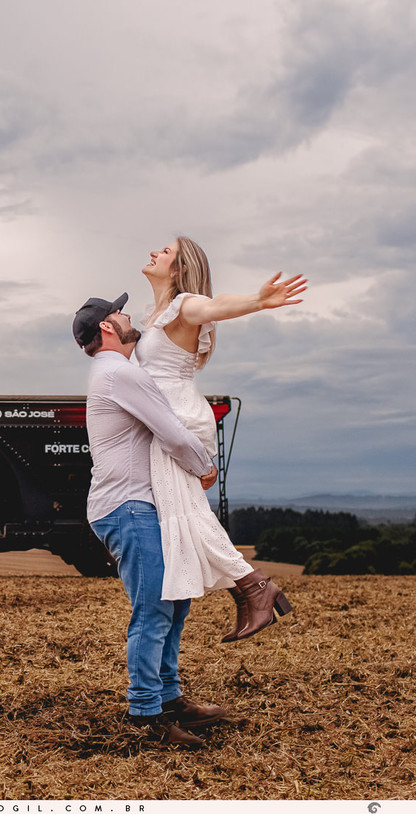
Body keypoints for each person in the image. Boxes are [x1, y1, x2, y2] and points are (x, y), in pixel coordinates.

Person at [73, 292, 225, 748]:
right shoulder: (119, 372)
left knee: (175, 602)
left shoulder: (114, 372)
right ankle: (146, 715)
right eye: (119, 312)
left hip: (138, 504)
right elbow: (171, 430)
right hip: (129, 506)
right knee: (155, 608)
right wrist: (205, 466)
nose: (127, 315)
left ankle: (169, 697)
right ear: (106, 327)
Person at [137, 236, 306, 642]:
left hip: (176, 420)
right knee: (184, 516)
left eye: (165, 252)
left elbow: (215, 305)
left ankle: (256, 588)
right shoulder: (154, 314)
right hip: (168, 418)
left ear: (179, 269)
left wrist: (257, 300)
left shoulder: (184, 305)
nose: (153, 253)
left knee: (187, 516)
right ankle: (248, 591)